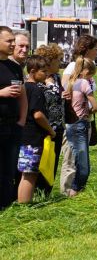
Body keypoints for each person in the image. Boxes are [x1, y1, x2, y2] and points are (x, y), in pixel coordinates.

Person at [16, 56, 55, 204]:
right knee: (30, 174)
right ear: (33, 71)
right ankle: (25, 205)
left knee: (25, 173)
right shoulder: (36, 90)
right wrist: (51, 130)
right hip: (33, 137)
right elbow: (38, 115)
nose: (46, 74)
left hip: (22, 134)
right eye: (43, 71)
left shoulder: (23, 86)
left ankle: (22, 202)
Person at [62, 57, 97, 196]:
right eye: (90, 75)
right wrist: (89, 110)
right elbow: (95, 106)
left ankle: (71, 190)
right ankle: (74, 191)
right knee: (84, 166)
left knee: (74, 159)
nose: (90, 78)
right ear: (85, 71)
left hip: (70, 124)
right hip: (81, 123)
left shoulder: (68, 82)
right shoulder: (83, 82)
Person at [0, 26, 26, 208]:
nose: (12, 44)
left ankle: (6, 204)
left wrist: (22, 120)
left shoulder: (14, 67)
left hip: (13, 125)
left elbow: (23, 95)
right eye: (8, 41)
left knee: (10, 168)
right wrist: (1, 93)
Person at [33, 44, 64, 196]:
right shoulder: (39, 80)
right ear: (50, 61)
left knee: (53, 160)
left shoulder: (57, 77)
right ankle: (38, 193)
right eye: (58, 60)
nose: (61, 63)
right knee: (42, 161)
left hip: (58, 126)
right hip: (45, 127)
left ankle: (46, 193)